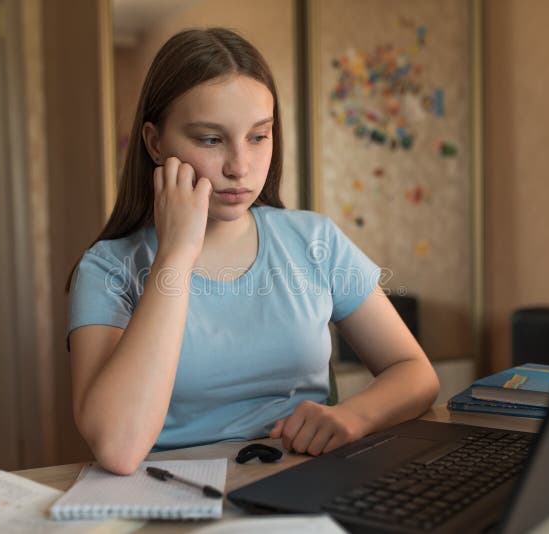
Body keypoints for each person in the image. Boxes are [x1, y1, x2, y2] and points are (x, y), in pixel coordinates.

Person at [67, 28, 439, 475]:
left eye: (258, 137)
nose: (239, 167)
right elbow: (117, 448)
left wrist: (352, 417)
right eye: (210, 139)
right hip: (172, 499)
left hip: (304, 486)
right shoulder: (107, 269)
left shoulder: (314, 241)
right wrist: (175, 255)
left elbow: (415, 372)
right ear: (155, 143)